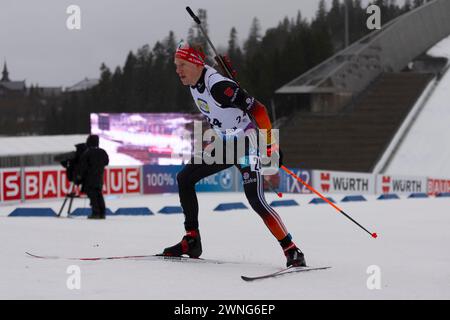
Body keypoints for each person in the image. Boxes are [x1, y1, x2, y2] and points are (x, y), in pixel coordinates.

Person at [162, 41, 306, 267]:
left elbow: (259, 110)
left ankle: (292, 250)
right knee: (185, 178)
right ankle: (192, 239)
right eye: (175, 65)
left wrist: (271, 147)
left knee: (255, 200)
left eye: (182, 64)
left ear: (197, 63)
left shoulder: (218, 86)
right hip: (226, 143)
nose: (177, 70)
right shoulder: (194, 82)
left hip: (247, 145)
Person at [77, 134, 109, 220]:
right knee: (99, 194)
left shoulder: (87, 153)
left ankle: (96, 213)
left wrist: (79, 176)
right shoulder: (103, 152)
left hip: (90, 179)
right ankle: (102, 213)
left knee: (93, 196)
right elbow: (106, 162)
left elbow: (82, 166)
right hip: (99, 177)